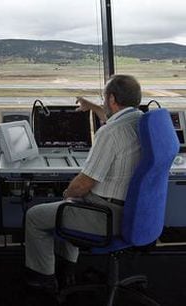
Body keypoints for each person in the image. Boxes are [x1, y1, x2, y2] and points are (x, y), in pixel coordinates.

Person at [25, 75, 144, 293]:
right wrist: (92, 107)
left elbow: (84, 183)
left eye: (104, 99)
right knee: (73, 202)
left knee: (37, 215)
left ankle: (44, 280)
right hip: (137, 212)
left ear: (111, 99)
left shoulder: (109, 134)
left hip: (107, 216)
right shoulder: (142, 121)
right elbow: (116, 122)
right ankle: (68, 269)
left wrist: (67, 194)